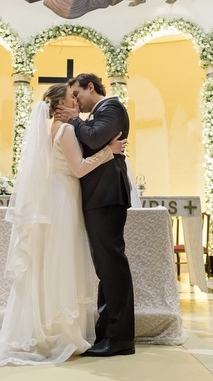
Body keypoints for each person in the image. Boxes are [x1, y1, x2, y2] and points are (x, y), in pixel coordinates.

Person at [0, 85, 126, 365]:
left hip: (54, 196)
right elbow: (78, 168)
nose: (76, 102)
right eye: (71, 99)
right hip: (64, 199)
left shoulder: (46, 128)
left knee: (48, 262)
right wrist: (109, 152)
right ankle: (61, 330)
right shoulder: (66, 130)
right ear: (60, 105)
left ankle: (43, 324)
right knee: (61, 260)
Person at [53, 72, 134, 357]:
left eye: (77, 95)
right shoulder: (96, 114)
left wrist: (74, 119)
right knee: (105, 267)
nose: (75, 102)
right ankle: (107, 334)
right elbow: (90, 144)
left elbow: (96, 137)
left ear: (91, 87)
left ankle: (120, 338)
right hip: (98, 195)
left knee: (113, 266)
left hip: (107, 195)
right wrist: (80, 123)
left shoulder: (112, 107)